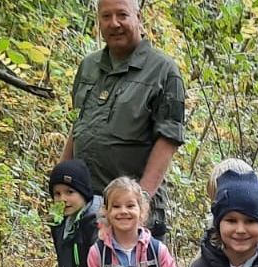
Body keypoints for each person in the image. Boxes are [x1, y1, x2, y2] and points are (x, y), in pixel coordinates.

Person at [61, 0, 185, 238]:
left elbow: (167, 140)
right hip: (84, 205)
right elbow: (77, 125)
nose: (114, 23)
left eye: (122, 15)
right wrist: (61, 181)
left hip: (130, 212)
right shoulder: (88, 66)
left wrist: (140, 204)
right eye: (106, 17)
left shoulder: (163, 71)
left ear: (138, 17)